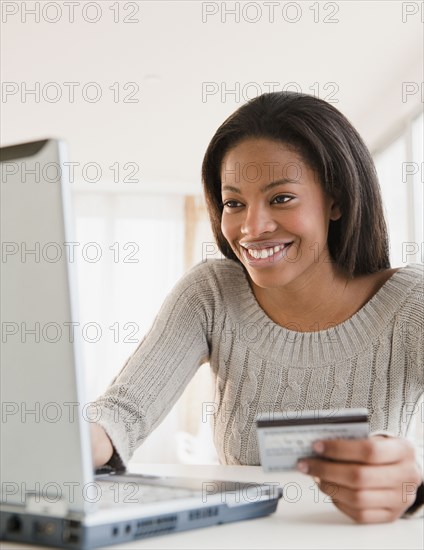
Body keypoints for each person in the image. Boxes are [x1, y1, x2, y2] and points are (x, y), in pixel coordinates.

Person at [91, 91, 424, 523]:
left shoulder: (411, 305)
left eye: (281, 198)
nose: (251, 228)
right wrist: (66, 441)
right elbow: (122, 414)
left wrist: (414, 490)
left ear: (336, 201)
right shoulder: (211, 293)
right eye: (234, 203)